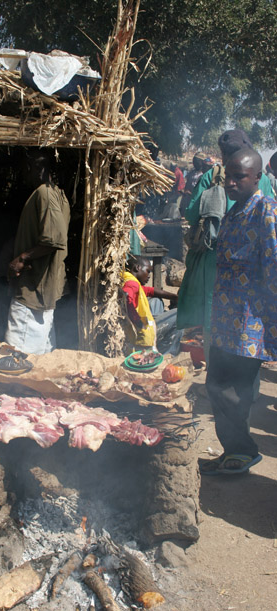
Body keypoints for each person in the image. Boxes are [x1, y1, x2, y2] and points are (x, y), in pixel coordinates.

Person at [200, 148, 277, 475]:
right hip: (223, 321)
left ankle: (243, 453)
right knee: (216, 384)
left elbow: (275, 268)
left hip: (249, 325)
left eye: (239, 177)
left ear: (257, 177)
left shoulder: (267, 212)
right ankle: (235, 449)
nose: (230, 182)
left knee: (233, 392)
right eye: (227, 175)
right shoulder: (234, 210)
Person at [177, 129, 275, 360]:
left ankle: (216, 368)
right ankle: (239, 381)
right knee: (251, 320)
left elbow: (191, 213)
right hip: (255, 266)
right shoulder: (262, 180)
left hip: (216, 257)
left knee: (216, 313)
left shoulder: (212, 175)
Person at [4, 150, 70, 355]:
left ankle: (16, 387)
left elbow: (54, 239)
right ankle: (29, 386)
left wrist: (22, 258)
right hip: (40, 290)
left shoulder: (45, 194)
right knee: (40, 353)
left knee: (18, 353)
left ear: (32, 167)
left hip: (34, 289)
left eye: (25, 168)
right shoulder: (57, 194)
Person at [122, 255, 178, 351]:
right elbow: (127, 298)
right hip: (141, 331)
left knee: (157, 300)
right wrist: (138, 322)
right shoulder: (132, 284)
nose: (149, 276)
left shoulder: (127, 279)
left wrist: (176, 297)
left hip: (139, 323)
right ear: (137, 268)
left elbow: (151, 291)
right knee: (178, 314)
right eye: (148, 271)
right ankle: (168, 351)